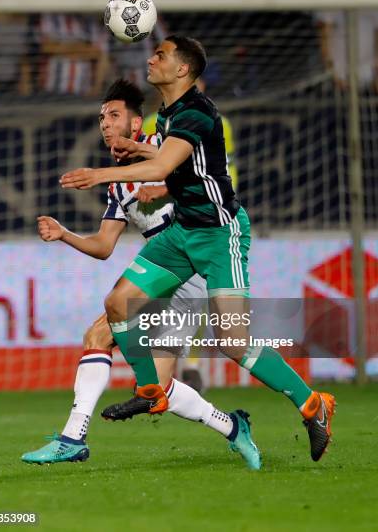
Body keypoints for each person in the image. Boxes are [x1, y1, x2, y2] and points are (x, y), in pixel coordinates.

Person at [60, 36, 336, 463]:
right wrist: (141, 146)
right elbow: (177, 159)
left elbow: (163, 167)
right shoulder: (170, 114)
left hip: (219, 233)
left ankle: (313, 404)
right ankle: (151, 388)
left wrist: (98, 174)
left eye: (161, 55)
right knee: (118, 303)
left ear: (182, 70)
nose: (151, 59)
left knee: (233, 341)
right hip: (182, 234)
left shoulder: (196, 112)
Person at [21, 79, 260, 469]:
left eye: (114, 115)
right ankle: (233, 428)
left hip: (192, 272)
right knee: (145, 378)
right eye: (101, 117)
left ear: (136, 124)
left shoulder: (165, 145)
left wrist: (166, 183)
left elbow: (202, 170)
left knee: (120, 354)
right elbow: (103, 246)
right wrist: (64, 234)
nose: (105, 123)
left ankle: (72, 439)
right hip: (161, 274)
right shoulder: (119, 187)